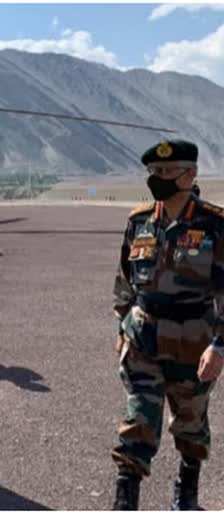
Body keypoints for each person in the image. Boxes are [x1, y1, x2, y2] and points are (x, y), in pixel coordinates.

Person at [111, 140, 224, 510]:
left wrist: (219, 346)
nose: (157, 179)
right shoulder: (139, 221)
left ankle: (186, 492)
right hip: (143, 337)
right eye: (153, 173)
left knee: (190, 425)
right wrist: (121, 324)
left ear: (190, 174)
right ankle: (125, 501)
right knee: (138, 421)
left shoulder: (214, 225)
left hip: (194, 343)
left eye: (165, 172)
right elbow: (125, 280)